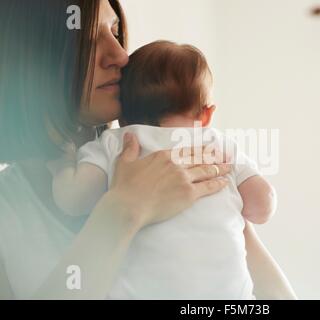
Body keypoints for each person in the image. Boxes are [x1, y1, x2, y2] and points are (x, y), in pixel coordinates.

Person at [0, 0, 296, 299]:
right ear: (30, 58)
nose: (119, 55)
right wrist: (123, 210)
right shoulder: (8, 210)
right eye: (86, 39)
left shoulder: (180, 161)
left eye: (115, 32)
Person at [52, 40, 278, 299]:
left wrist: (63, 161)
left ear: (121, 113)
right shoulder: (218, 145)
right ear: (206, 115)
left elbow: (73, 200)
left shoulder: (116, 142)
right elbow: (262, 206)